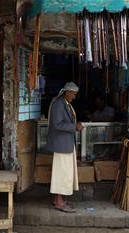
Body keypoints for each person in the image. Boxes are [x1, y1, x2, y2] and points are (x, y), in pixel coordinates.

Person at [46, 82, 84, 213]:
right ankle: (59, 202)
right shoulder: (58, 104)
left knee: (63, 174)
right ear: (67, 92)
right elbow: (57, 124)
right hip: (62, 145)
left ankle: (58, 200)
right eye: (73, 94)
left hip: (66, 144)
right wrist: (75, 127)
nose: (74, 97)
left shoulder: (65, 104)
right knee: (62, 175)